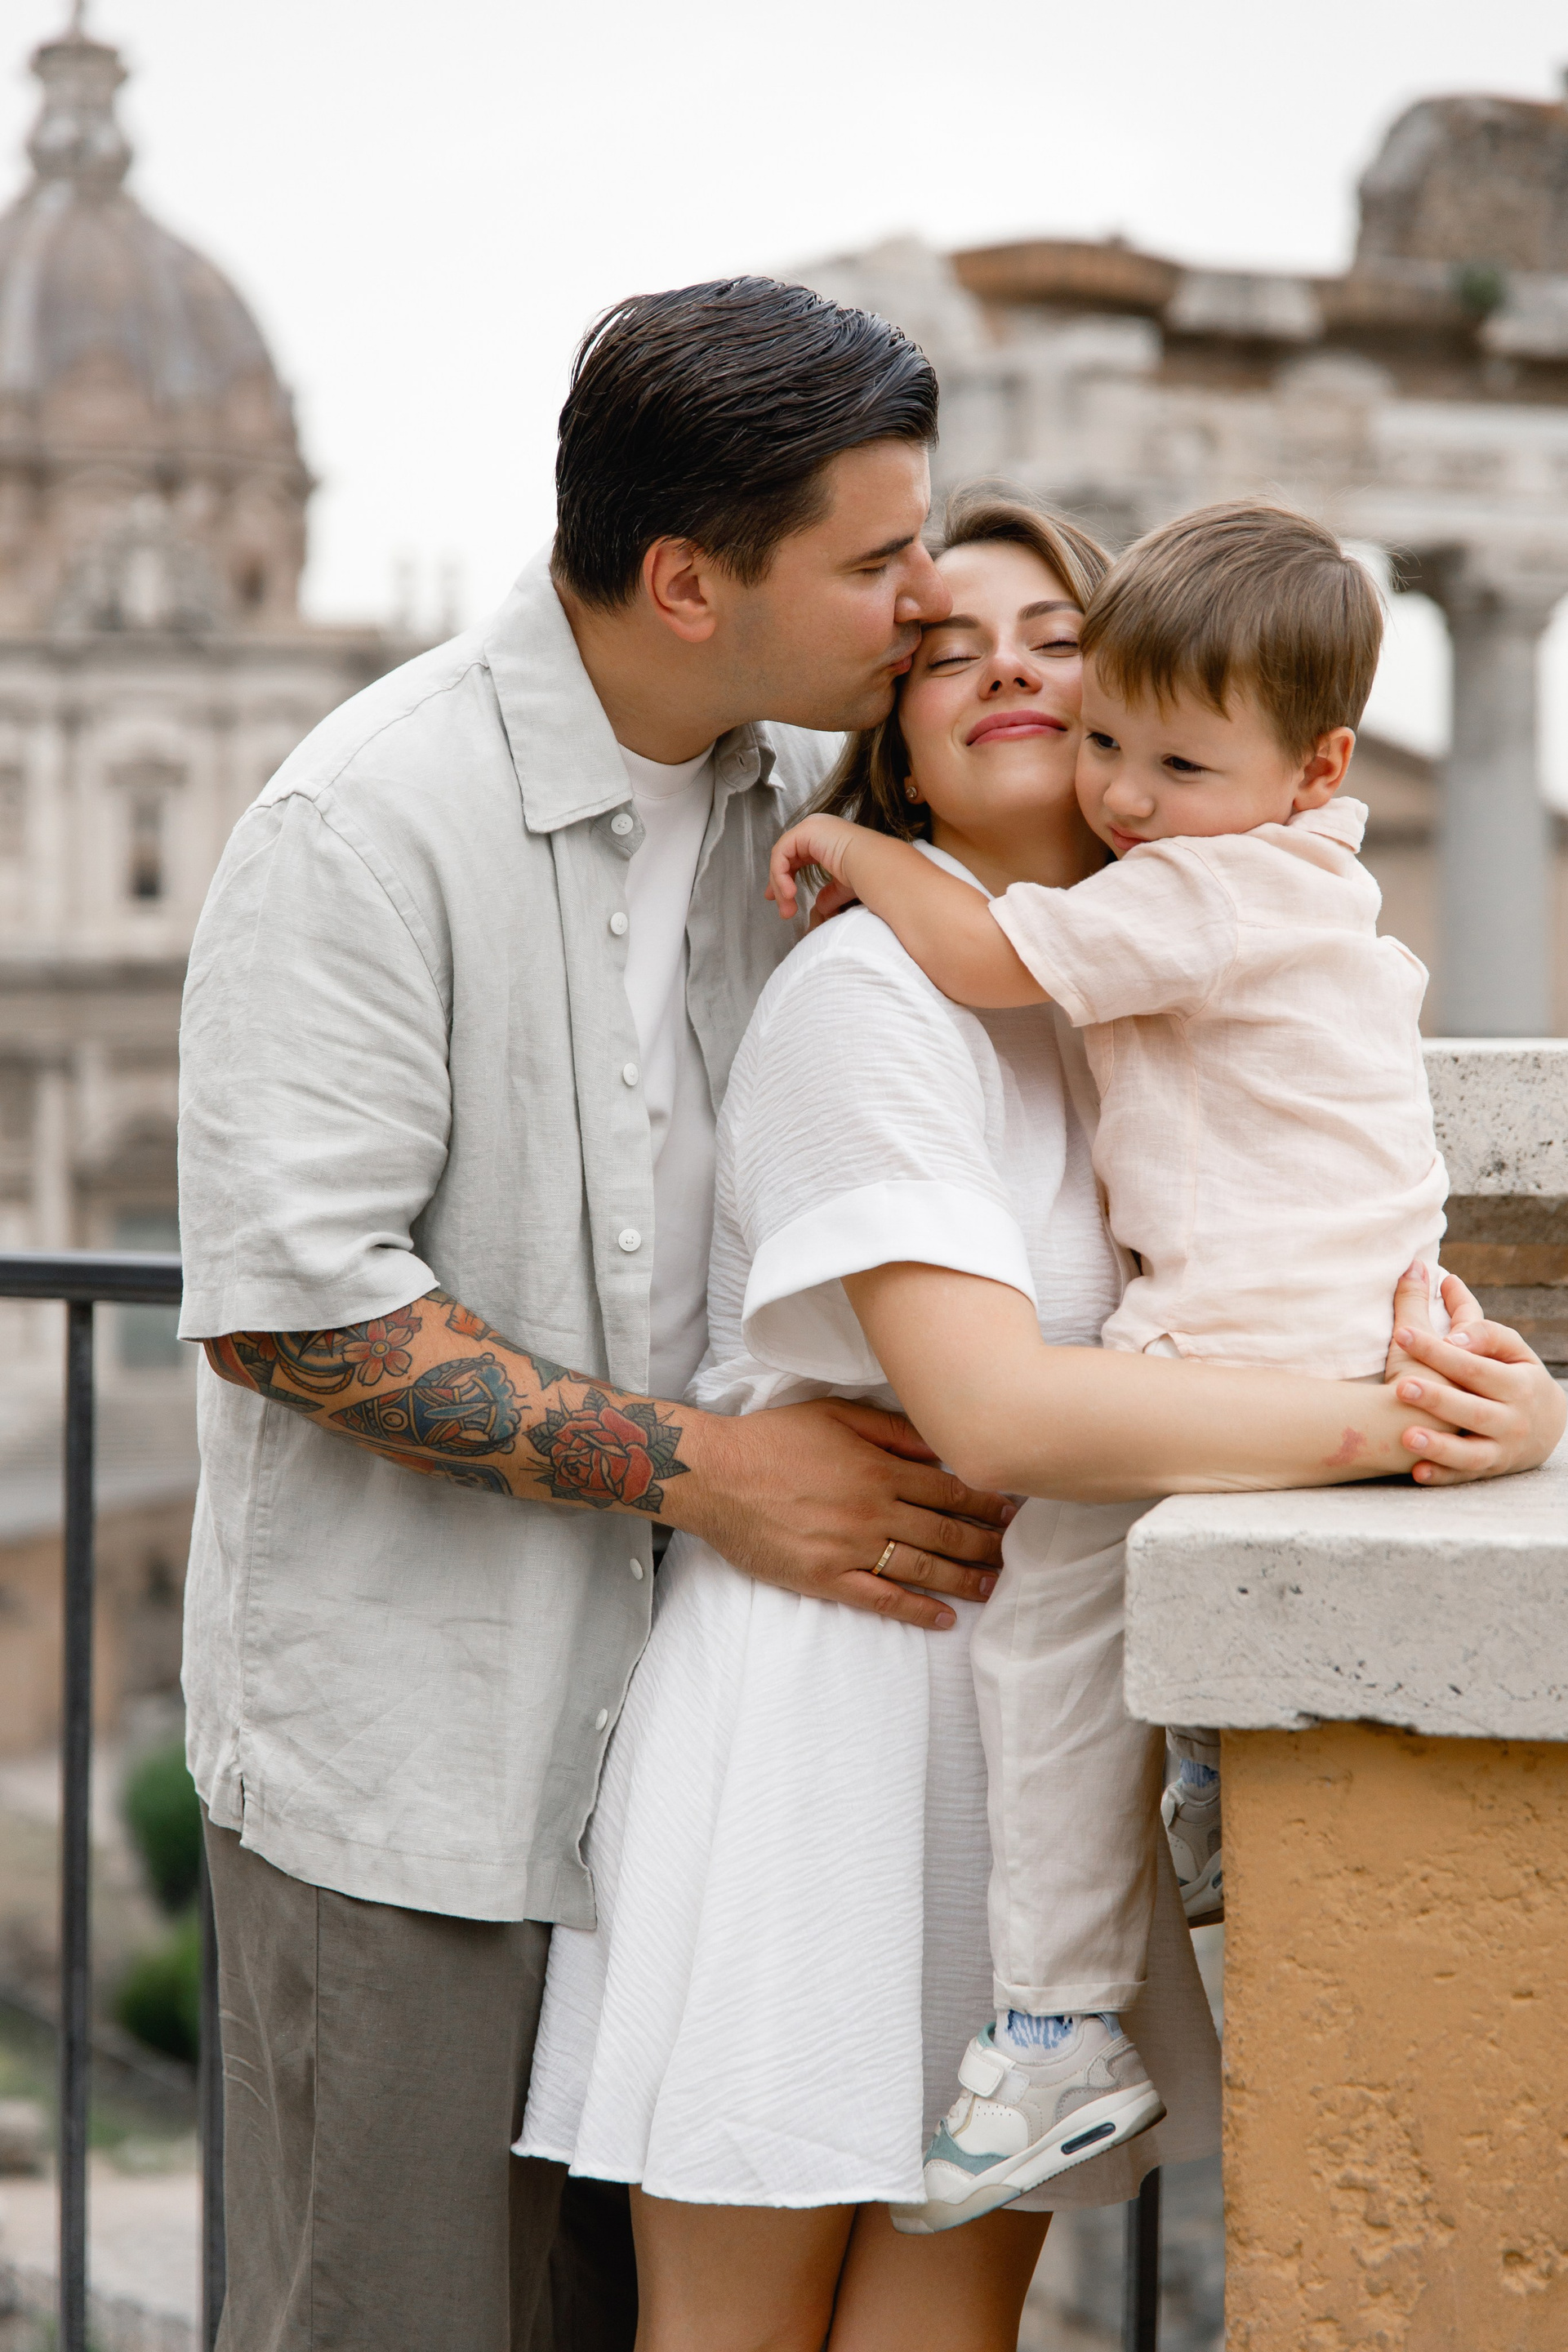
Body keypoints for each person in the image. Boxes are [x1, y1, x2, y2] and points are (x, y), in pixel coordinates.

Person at [515, 492, 1563, 2352]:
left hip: (1021, 1737)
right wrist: (1381, 1426)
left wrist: (1495, 1394)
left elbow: (1316, 1246)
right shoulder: (874, 996)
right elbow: (998, 1415)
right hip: (831, 1714)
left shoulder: (1161, 1004)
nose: (1003, 670)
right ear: (897, 737)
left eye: (1055, 641)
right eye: (943, 651)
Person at [175, 278, 1036, 2352]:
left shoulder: (802, 804)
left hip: (695, 1767)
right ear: (685, 583)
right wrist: (719, 1475)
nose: (927, 598)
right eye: (879, 560)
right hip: (420, 1785)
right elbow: (297, 1311)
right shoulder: (364, 823)